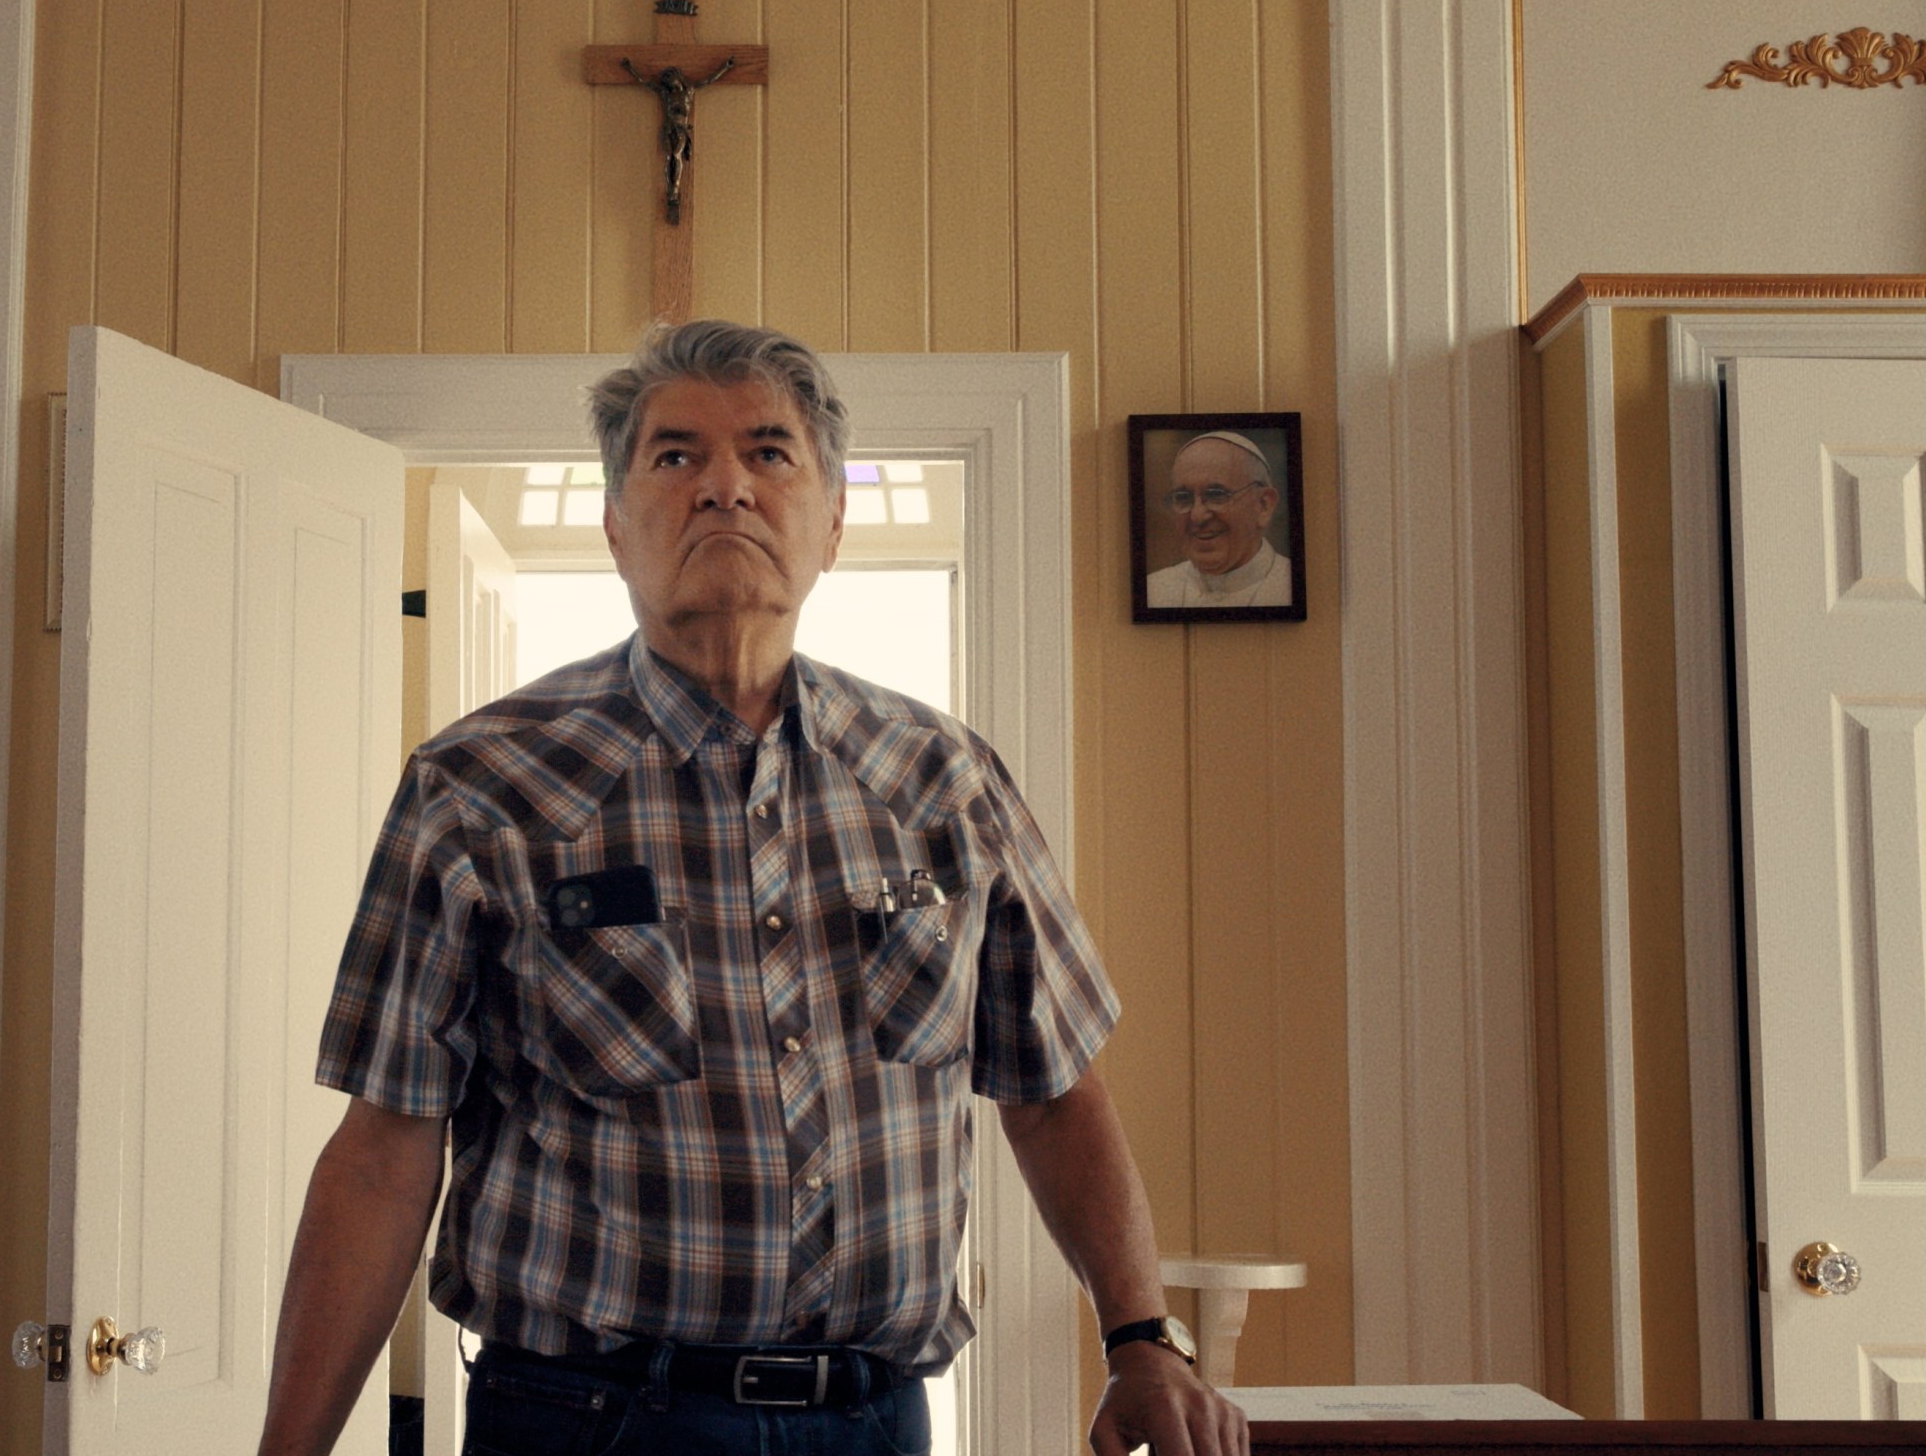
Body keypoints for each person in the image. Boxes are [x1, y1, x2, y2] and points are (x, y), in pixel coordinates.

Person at [255, 320, 1246, 1456]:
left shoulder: (945, 779)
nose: (725, 485)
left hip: (874, 1424)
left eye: (770, 453)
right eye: (675, 457)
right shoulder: (477, 787)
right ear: (617, 526)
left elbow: (1055, 1090)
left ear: (831, 523)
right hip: (586, 1424)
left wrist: (1141, 1338)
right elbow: (384, 1151)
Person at [1144, 431, 1294, 610]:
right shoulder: (1154, 590)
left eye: (1216, 495)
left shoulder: (1291, 587)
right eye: (1183, 498)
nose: (1197, 516)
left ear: (1263, 505)